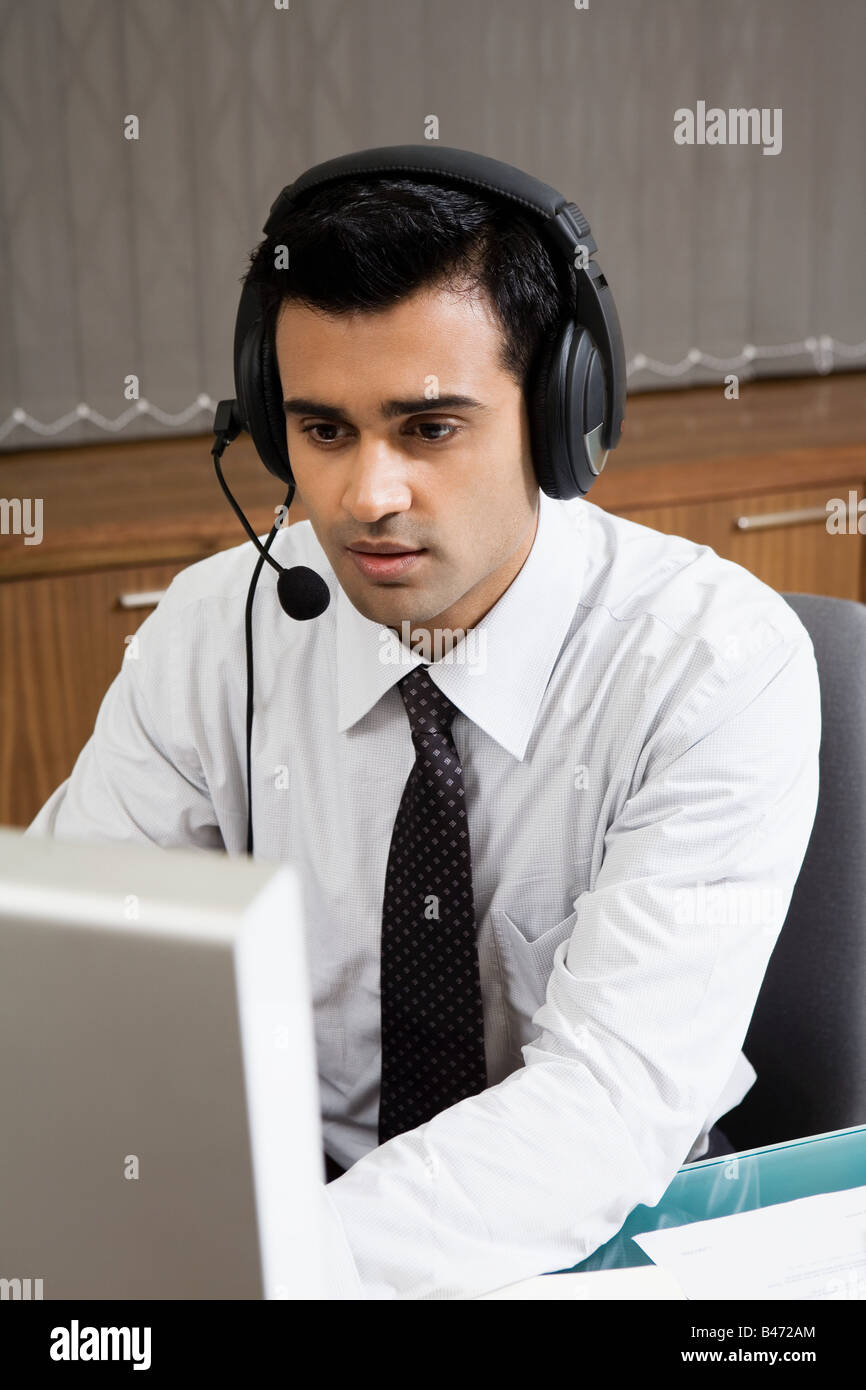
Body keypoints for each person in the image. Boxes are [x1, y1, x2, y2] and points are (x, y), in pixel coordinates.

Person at [26, 165, 820, 1300]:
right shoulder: (217, 628)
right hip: (303, 1208)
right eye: (321, 429)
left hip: (608, 1230)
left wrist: (279, 1274)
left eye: (429, 425)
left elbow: (606, 1103)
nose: (366, 495)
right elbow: (74, 971)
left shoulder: (710, 661)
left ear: (561, 416)